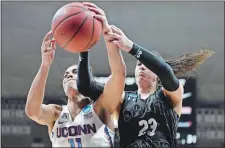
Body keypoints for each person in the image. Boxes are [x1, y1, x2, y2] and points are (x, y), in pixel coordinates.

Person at [76, 4, 215, 148]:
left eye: (147, 65)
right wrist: (83, 47)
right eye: (138, 65)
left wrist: (130, 46)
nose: (142, 66)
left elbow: (165, 71)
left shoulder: (170, 96)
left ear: (157, 75)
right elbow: (86, 86)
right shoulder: (123, 100)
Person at [25, 5, 126, 146]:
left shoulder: (100, 108)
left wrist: (107, 35)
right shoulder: (56, 114)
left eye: (74, 72)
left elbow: (118, 75)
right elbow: (32, 111)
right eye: (66, 74)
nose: (68, 76)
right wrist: (45, 65)